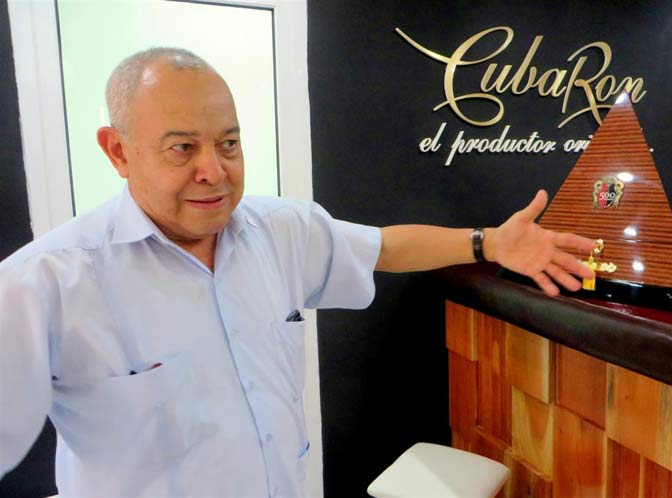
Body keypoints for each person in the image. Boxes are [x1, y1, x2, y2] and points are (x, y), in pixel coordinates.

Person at [0, 48, 594, 497]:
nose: (214, 171)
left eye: (228, 144)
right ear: (118, 151)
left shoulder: (279, 230)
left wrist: (489, 243)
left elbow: (385, 247)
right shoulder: (44, 284)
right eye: (182, 148)